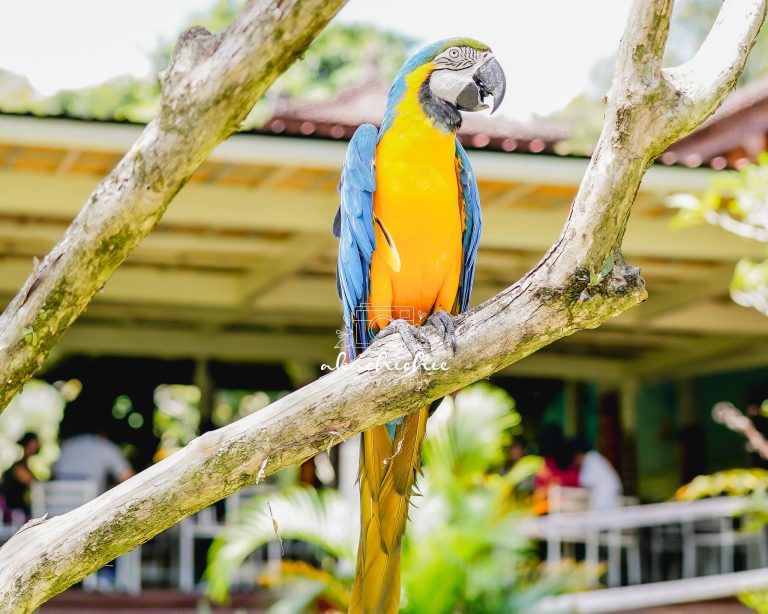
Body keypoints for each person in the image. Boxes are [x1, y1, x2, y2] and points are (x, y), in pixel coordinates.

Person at [53, 432, 134, 494]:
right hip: (90, 507)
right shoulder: (105, 447)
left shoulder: (67, 446)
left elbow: (54, 475)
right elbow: (128, 478)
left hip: (58, 507)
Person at [572, 437, 623, 510]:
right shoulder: (594, 457)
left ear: (578, 454)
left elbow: (583, 482)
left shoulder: (590, 459)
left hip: (605, 502)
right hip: (610, 499)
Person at [1, 432, 40, 521]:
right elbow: (33, 483)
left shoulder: (25, 465)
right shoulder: (18, 467)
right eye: (35, 442)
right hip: (11, 509)